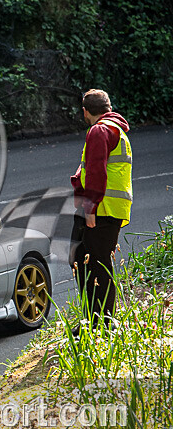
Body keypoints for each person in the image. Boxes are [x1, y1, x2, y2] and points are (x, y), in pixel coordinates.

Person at [69, 89, 133, 331]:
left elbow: (97, 172)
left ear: (85, 111)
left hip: (101, 209)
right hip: (109, 207)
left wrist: (90, 208)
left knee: (95, 263)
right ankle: (95, 320)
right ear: (109, 108)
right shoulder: (116, 129)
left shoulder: (100, 130)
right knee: (83, 259)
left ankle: (103, 323)